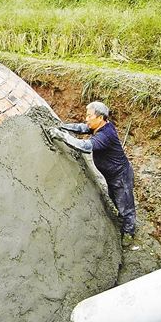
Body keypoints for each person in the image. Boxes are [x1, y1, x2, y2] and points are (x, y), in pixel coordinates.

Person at [49, 101, 136, 245]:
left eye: (89, 116)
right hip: (111, 175)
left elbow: (85, 146)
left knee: (125, 204)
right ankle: (122, 218)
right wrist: (62, 126)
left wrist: (62, 136)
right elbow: (82, 128)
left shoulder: (106, 135)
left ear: (100, 118)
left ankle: (129, 232)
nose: (86, 119)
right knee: (114, 197)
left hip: (120, 176)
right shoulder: (99, 126)